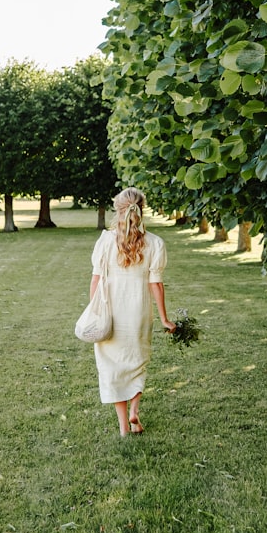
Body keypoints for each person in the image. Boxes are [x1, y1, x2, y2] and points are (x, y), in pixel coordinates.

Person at [88, 187, 175, 437]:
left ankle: (124, 426)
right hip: (139, 312)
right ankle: (135, 411)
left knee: (113, 366)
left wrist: (94, 310)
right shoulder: (155, 243)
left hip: (110, 312)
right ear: (142, 209)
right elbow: (156, 284)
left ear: (118, 209)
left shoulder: (105, 241)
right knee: (137, 363)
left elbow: (96, 279)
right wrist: (165, 318)